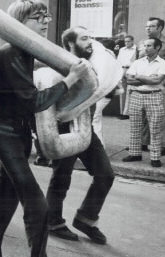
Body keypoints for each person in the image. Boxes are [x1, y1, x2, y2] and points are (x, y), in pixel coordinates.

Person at [0, 0, 90, 257]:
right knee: (34, 202)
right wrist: (70, 80)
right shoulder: (10, 53)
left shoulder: (24, 53)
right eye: (37, 17)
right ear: (18, 22)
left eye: (46, 15)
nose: (45, 21)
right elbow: (32, 102)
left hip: (16, 132)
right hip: (4, 133)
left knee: (6, 197)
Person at [47, 27, 115, 245]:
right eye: (84, 38)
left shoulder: (93, 63)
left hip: (86, 126)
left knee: (105, 175)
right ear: (70, 43)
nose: (90, 42)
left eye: (91, 37)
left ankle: (86, 219)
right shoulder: (60, 64)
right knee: (62, 177)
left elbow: (104, 91)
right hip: (65, 127)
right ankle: (53, 221)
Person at [122, 38, 165, 167]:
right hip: (136, 95)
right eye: (145, 45)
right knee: (135, 126)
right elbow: (129, 80)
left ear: (157, 48)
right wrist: (148, 78)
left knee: (155, 127)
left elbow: (157, 81)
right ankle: (135, 153)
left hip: (154, 96)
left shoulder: (163, 63)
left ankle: (155, 157)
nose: (146, 48)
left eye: (149, 46)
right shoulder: (137, 62)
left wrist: (138, 76)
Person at [139, 17, 165, 155]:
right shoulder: (142, 43)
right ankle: (143, 143)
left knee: (160, 116)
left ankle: (161, 145)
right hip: (142, 85)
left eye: (151, 26)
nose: (147, 28)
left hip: (162, 85)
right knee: (143, 115)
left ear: (160, 28)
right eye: (146, 26)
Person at [117, 35, 137, 119]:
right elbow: (118, 60)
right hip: (122, 69)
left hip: (131, 70)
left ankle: (127, 113)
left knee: (130, 91)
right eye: (125, 41)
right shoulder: (122, 50)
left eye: (128, 41)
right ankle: (122, 112)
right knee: (122, 91)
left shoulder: (136, 49)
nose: (126, 43)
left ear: (132, 41)